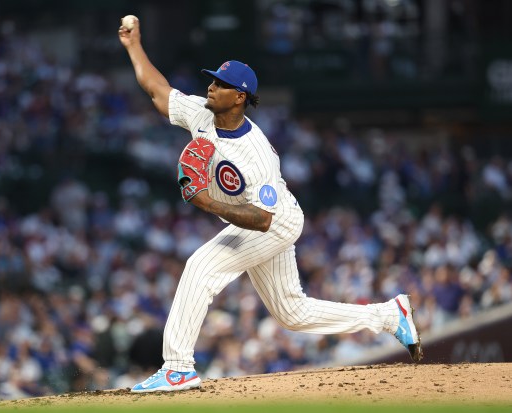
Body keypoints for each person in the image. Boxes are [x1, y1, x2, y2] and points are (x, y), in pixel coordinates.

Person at [118, 16, 423, 393]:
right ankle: (390, 315)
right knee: (292, 313)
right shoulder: (202, 113)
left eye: (221, 85)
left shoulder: (256, 154)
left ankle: (178, 367)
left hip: (274, 221)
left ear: (240, 96)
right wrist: (134, 46)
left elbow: (262, 220)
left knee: (201, 266)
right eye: (212, 80)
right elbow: (157, 90)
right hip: (257, 219)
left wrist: (207, 202)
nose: (211, 88)